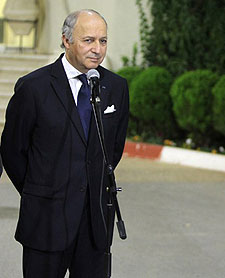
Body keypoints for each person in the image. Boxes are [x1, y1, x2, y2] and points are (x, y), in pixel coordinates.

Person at [0, 9, 129, 277]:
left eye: (103, 41)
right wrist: (40, 189)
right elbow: (13, 151)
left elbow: (113, 148)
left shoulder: (115, 87)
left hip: (95, 225)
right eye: (88, 40)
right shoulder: (33, 87)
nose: (97, 49)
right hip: (45, 221)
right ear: (66, 40)